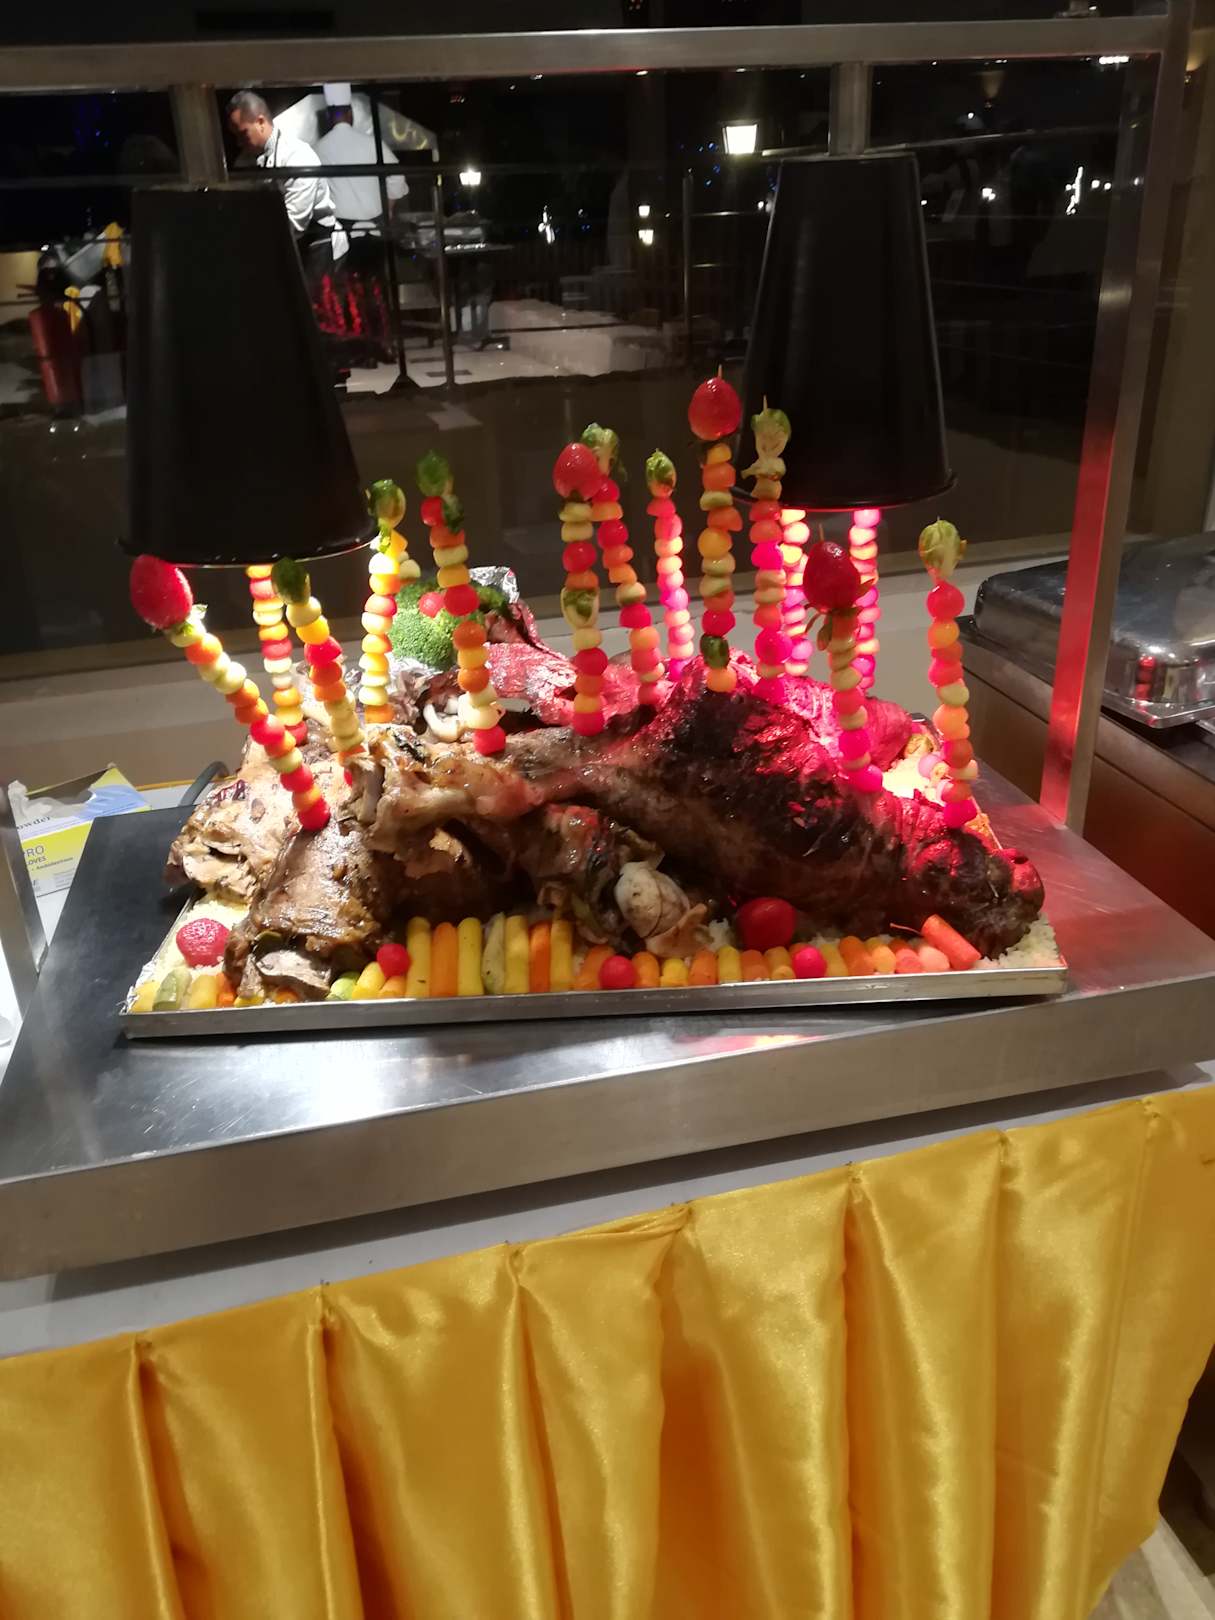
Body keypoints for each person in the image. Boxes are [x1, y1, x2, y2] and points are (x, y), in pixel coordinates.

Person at [313, 84, 406, 366]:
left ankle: (358, 351)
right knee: (376, 289)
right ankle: (383, 345)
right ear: (351, 114)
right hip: (375, 230)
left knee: (349, 293)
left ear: (329, 117)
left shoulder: (319, 148)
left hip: (342, 233)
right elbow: (397, 178)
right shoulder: (372, 144)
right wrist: (388, 210)